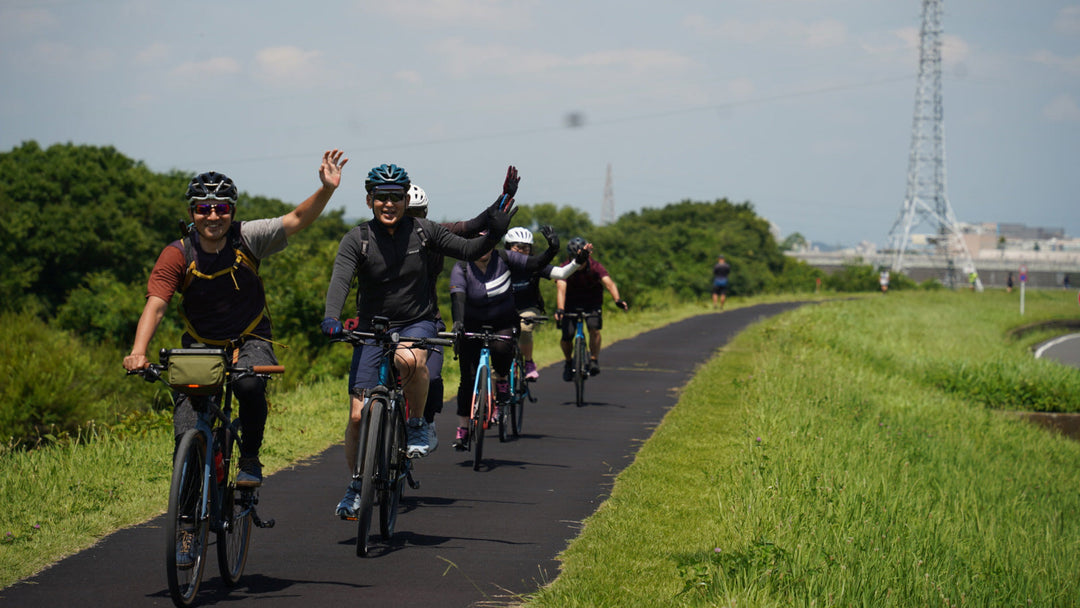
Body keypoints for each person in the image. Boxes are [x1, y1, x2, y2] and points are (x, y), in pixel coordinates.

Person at [124, 149, 349, 489]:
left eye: (221, 208)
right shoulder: (178, 254)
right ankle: (187, 528)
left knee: (248, 384)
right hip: (200, 345)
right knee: (187, 432)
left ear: (232, 211)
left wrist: (327, 189)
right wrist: (138, 352)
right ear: (191, 213)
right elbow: (156, 305)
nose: (212, 216)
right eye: (203, 208)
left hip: (251, 338)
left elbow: (297, 218)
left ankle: (249, 458)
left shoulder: (248, 237)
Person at [320, 163, 516, 519]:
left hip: (417, 321)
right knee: (357, 416)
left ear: (405, 199)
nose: (389, 204)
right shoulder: (357, 238)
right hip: (372, 327)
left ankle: (417, 426)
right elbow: (340, 281)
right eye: (382, 198)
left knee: (410, 360)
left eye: (396, 197)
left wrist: (494, 235)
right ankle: (355, 485)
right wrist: (332, 317)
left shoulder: (425, 232)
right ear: (370, 200)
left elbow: (470, 248)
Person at [448, 228, 587, 449]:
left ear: (493, 243)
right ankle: (463, 428)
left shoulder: (505, 258)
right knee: (467, 379)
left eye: (486, 242)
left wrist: (557, 252)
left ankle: (502, 379)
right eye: (476, 243)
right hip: (470, 324)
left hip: (503, 322)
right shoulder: (462, 266)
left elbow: (547, 269)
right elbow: (458, 296)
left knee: (503, 351)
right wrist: (457, 323)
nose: (481, 248)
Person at [403, 181, 509, 450]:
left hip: (425, 318)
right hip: (388, 319)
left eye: (418, 214)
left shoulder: (435, 234)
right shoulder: (379, 239)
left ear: (425, 214)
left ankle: (426, 421)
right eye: (408, 214)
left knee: (433, 376)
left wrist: (504, 197)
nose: (412, 221)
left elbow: (473, 226)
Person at [504, 226, 584, 380]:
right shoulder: (499, 264)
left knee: (524, 329)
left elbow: (562, 273)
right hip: (503, 310)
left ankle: (528, 363)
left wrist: (578, 261)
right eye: (517, 247)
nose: (521, 251)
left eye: (526, 248)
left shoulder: (534, 264)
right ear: (508, 247)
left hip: (528, 308)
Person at [555, 238, 629, 381]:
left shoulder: (595, 267)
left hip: (592, 303)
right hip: (570, 304)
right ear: (570, 257)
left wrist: (617, 299)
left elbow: (609, 283)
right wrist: (560, 309)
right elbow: (561, 289)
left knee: (594, 328)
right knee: (567, 335)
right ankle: (568, 362)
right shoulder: (565, 267)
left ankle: (594, 359)